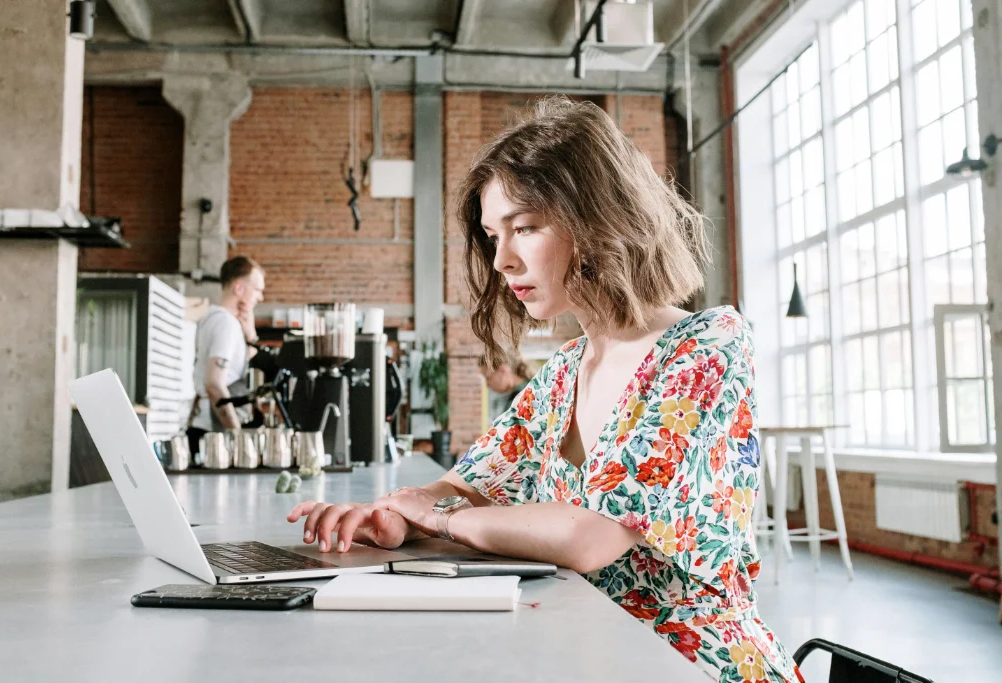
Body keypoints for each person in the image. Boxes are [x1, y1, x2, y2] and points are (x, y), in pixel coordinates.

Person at [286, 98, 803, 683]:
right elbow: (467, 487)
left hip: (692, 663)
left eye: (525, 227)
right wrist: (396, 519)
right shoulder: (563, 371)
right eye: (492, 235)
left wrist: (442, 517)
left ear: (599, 216)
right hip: (590, 648)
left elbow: (588, 536)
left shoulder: (705, 347)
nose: (503, 260)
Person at [187, 256, 265, 456]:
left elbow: (232, 369)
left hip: (205, 430)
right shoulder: (226, 324)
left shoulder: (214, 319)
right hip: (212, 435)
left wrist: (251, 335)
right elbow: (214, 383)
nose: (260, 297)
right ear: (239, 288)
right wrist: (237, 435)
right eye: (257, 290)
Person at [479, 349, 534, 420]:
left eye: (488, 378)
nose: (487, 385)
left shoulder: (526, 395)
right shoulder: (513, 395)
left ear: (503, 370)